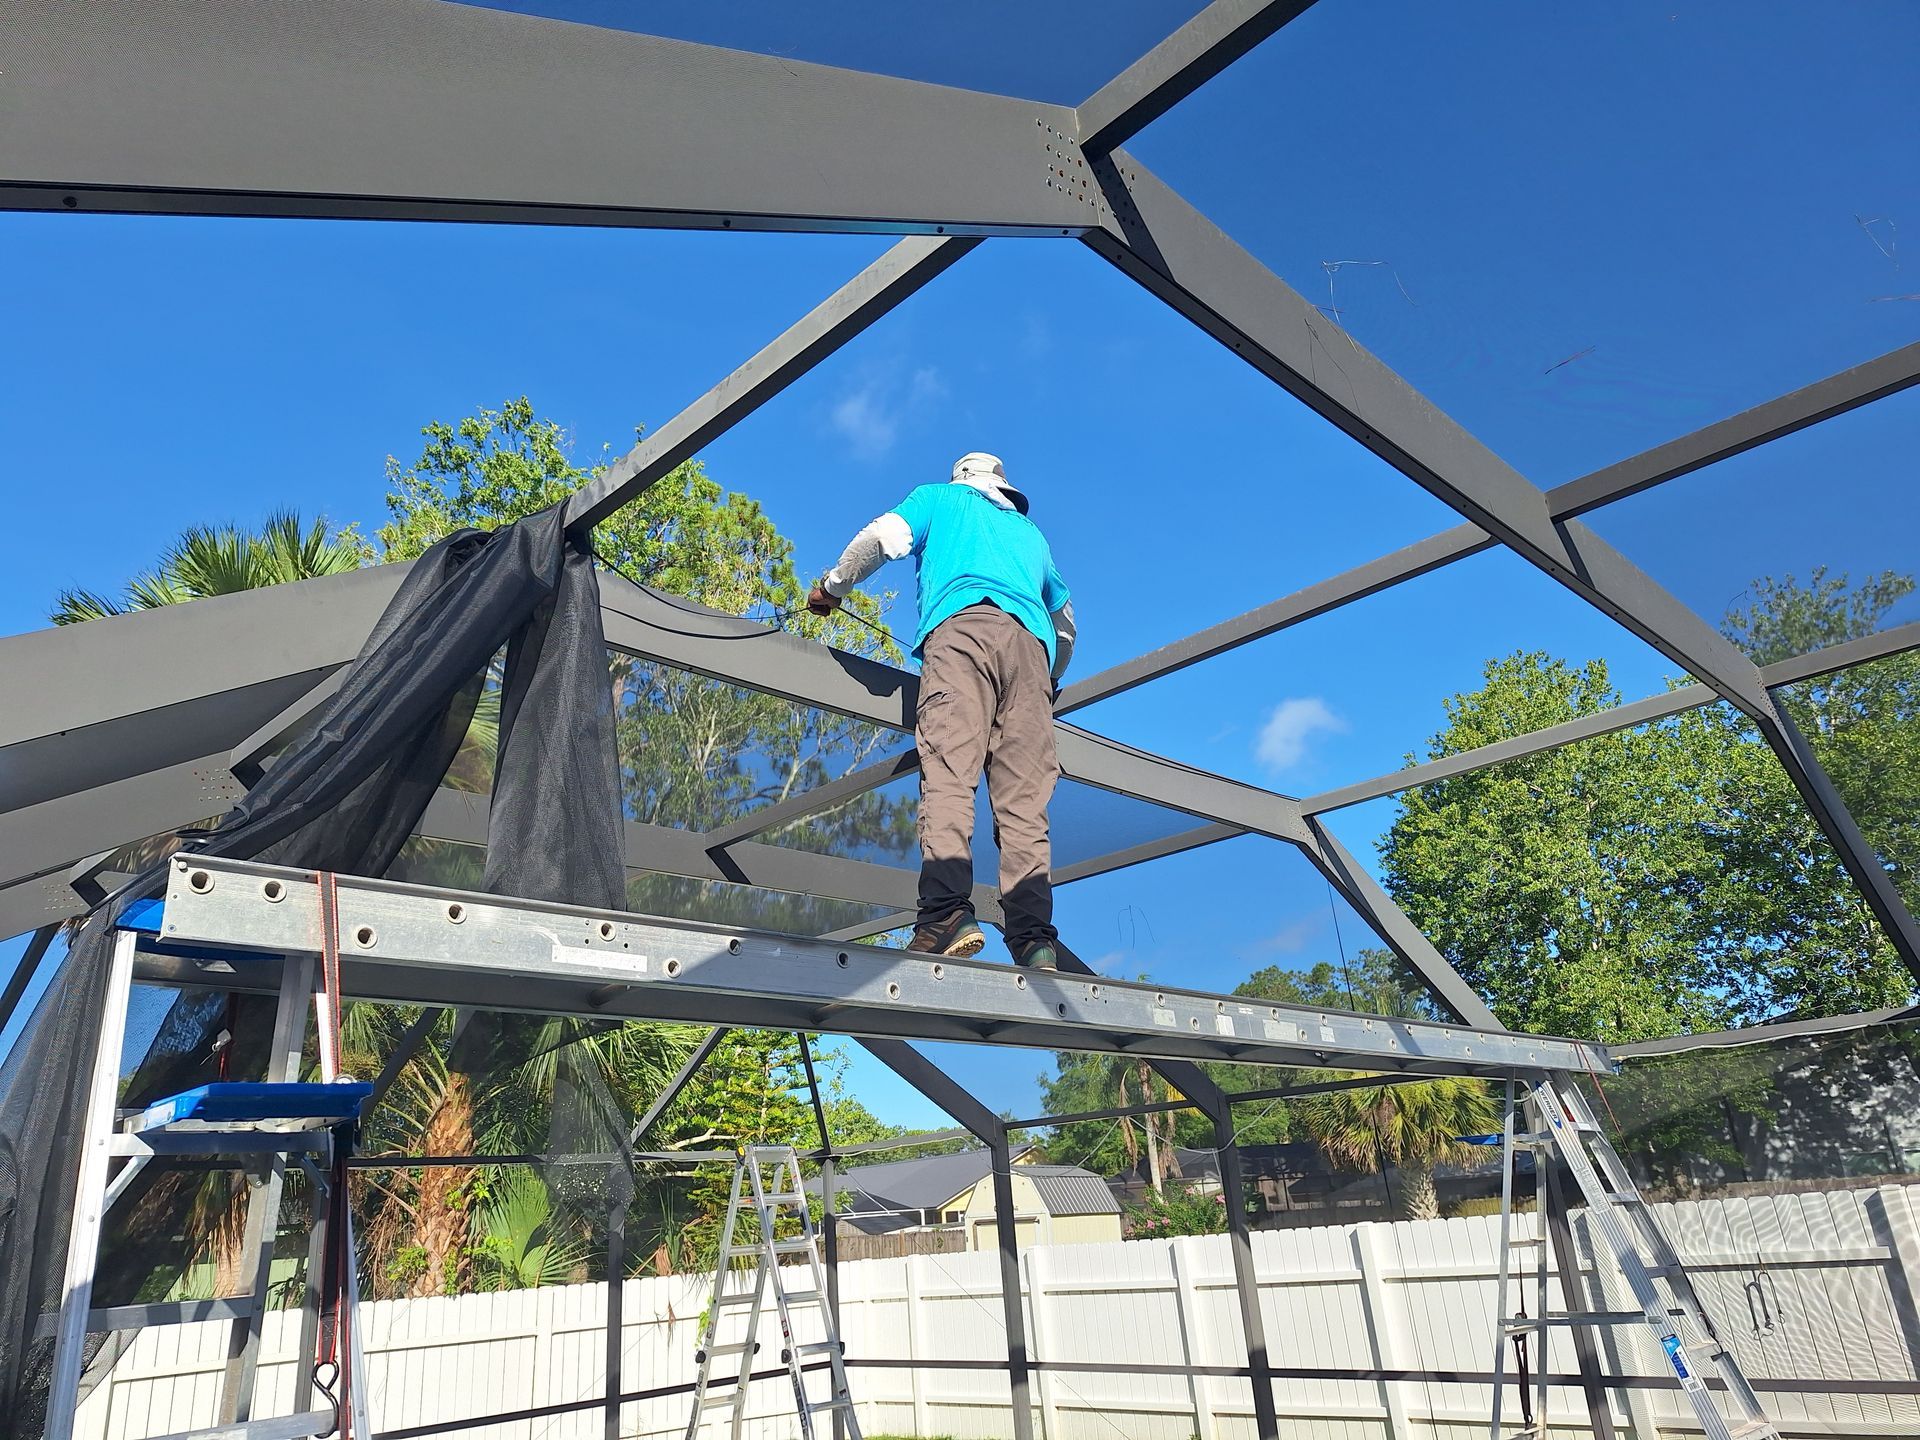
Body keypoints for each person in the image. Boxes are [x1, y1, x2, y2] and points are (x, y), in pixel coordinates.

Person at [807, 452, 1075, 969]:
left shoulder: (939, 498)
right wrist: (1049, 679)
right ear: (1004, 487)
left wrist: (832, 588)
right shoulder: (1032, 536)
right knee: (1024, 804)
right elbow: (1064, 626)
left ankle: (947, 914)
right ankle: (1034, 939)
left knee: (951, 773)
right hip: (1031, 658)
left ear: (962, 480)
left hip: (963, 633)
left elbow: (883, 539)